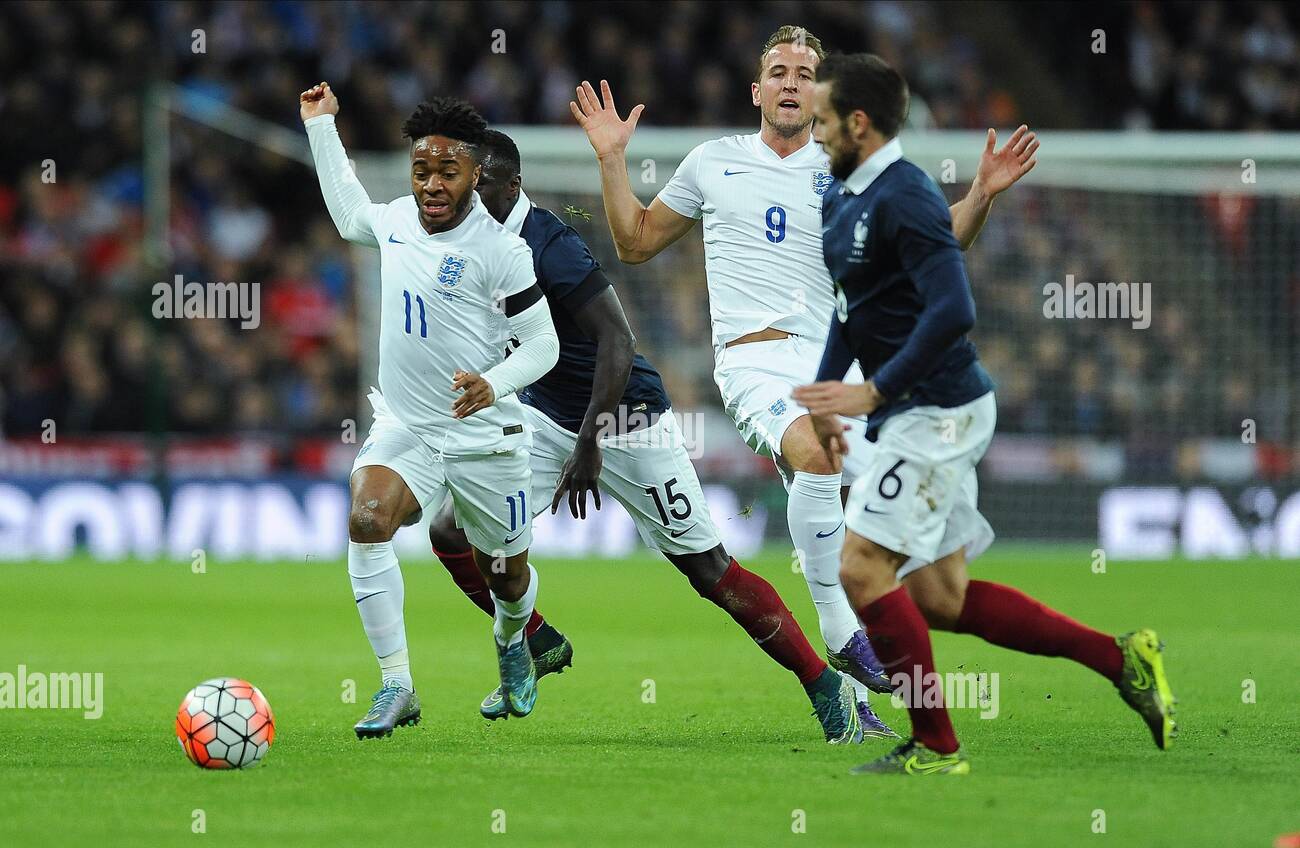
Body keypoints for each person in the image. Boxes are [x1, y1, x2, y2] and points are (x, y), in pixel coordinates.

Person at [569, 25, 1037, 726]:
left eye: (805, 72)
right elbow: (634, 243)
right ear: (756, 90)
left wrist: (984, 194)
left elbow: (933, 247)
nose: (791, 81)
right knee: (816, 452)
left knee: (910, 541)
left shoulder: (850, 167)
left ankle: (870, 703)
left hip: (835, 365)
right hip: (755, 361)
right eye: (778, 70)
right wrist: (611, 159)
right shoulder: (712, 162)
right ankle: (842, 634)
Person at [428, 129, 878, 743]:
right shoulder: (468, 243)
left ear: (505, 184)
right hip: (545, 417)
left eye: (468, 181)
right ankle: (537, 640)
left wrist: (590, 443)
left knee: (708, 570)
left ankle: (822, 684)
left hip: (625, 420)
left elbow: (618, 340)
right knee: (451, 530)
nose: (454, 194)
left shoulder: (551, 246)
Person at [794, 53, 1176, 775]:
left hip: (939, 410)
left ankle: (937, 746)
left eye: (821, 121)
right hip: (911, 410)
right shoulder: (842, 196)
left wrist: (874, 393)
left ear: (859, 123)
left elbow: (954, 307)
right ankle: (1120, 657)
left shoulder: (903, 194)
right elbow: (852, 310)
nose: (813, 134)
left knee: (860, 568)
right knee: (940, 598)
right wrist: (823, 399)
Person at [302, 84, 560, 737]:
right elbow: (348, 214)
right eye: (422, 171)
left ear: (475, 172)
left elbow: (544, 345)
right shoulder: (393, 223)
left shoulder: (502, 251)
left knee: (505, 577)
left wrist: (495, 384)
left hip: (486, 435)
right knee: (367, 519)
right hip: (409, 425)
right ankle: (396, 685)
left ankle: (512, 642)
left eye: (447, 171)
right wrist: (321, 127)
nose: (432, 184)